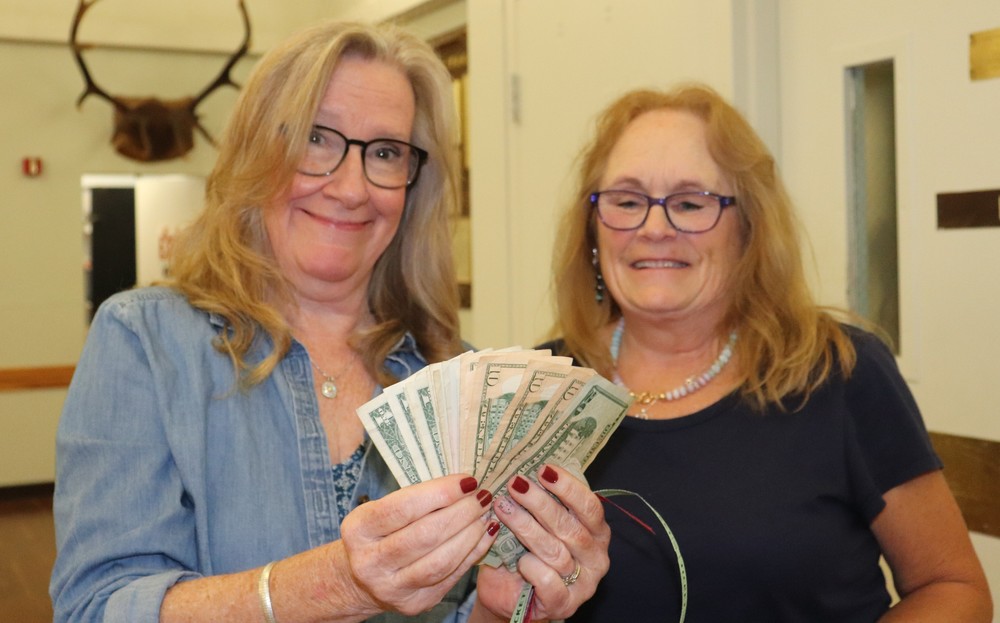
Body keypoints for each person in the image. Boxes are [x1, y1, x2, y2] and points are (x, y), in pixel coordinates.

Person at [50, 21, 610, 623]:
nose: (351, 188)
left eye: (386, 152)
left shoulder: (454, 378)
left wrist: (499, 612)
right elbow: (96, 608)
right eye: (317, 139)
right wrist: (336, 584)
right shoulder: (145, 343)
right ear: (256, 151)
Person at [539, 84, 993, 621]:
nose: (654, 228)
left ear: (748, 230)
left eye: (690, 203)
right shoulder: (538, 391)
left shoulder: (840, 373)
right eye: (627, 201)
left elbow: (954, 587)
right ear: (593, 228)